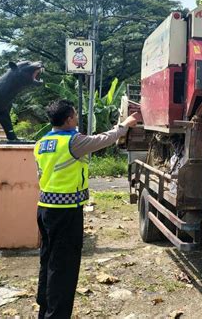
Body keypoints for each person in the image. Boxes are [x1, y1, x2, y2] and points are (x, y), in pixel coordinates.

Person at [34, 99, 138, 319]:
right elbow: (102, 140)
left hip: (44, 209)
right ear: (68, 119)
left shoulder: (42, 142)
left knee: (48, 260)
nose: (77, 119)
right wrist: (125, 125)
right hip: (66, 211)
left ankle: (45, 310)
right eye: (75, 115)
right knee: (64, 267)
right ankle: (57, 315)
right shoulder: (73, 142)